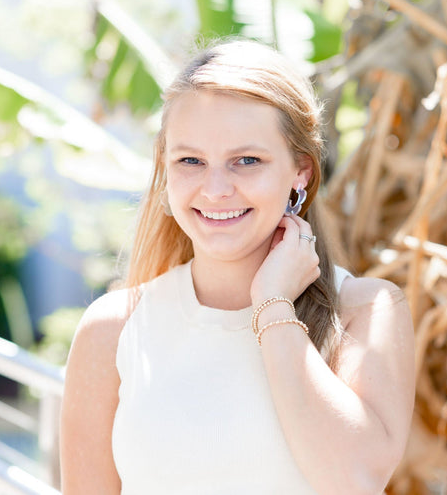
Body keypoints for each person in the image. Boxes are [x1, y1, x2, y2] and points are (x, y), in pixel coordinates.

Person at [60, 39, 415, 495]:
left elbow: (355, 480)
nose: (215, 189)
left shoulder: (367, 311)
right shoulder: (113, 329)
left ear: (300, 172)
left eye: (247, 161)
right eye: (190, 160)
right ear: (165, 172)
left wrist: (272, 306)